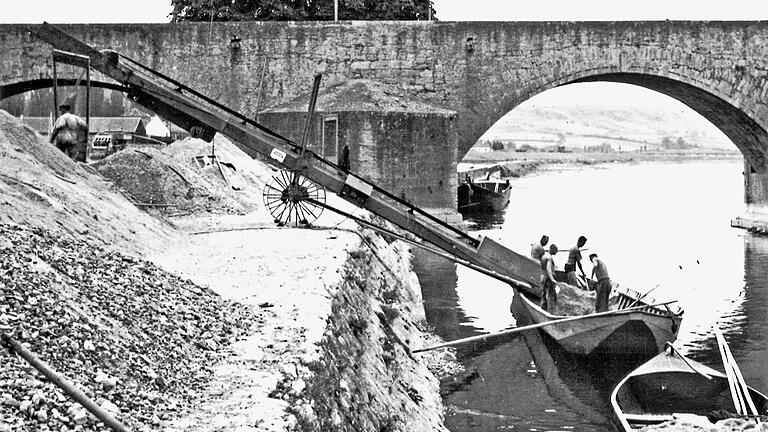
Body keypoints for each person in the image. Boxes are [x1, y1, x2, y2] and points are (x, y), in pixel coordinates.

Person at [540, 244, 558, 311]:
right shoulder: (549, 257)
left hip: (542, 277)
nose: (557, 251)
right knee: (551, 296)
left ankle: (542, 309)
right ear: (552, 249)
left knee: (544, 295)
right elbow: (548, 268)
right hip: (548, 279)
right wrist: (552, 279)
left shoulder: (544, 256)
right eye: (556, 250)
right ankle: (550, 311)